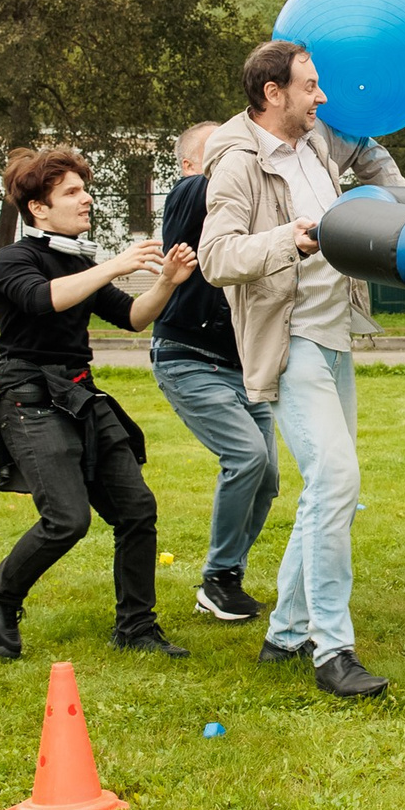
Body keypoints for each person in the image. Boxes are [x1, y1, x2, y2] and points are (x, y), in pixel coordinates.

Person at [198, 39, 405, 699]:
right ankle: (331, 648)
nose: (323, 97)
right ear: (273, 93)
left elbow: (367, 158)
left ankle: (286, 633)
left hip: (335, 333)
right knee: (336, 480)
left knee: (327, 488)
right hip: (289, 342)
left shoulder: (316, 143)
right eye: (310, 86)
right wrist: (288, 238)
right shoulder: (237, 165)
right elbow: (216, 257)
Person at [0, 145, 197, 662]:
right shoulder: (14, 260)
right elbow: (44, 298)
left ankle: (136, 627)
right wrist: (113, 264)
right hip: (28, 399)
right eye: (71, 192)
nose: (86, 198)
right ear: (38, 209)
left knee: (137, 510)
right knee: (66, 520)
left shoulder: (79, 263)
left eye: (84, 189)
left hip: (80, 395)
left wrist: (165, 282)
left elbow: (135, 317)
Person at [152, 119, 280, 625]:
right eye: (219, 149)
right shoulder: (189, 192)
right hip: (188, 357)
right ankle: (219, 576)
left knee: (267, 479)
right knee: (246, 457)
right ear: (190, 163)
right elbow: (218, 189)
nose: (234, 155)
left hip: (242, 366)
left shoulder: (245, 202)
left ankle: (225, 579)